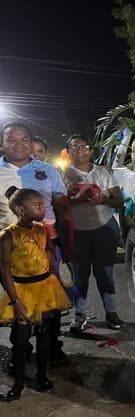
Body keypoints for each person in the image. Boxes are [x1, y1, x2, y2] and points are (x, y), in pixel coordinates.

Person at [0, 122, 68, 364]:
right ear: (2, 143)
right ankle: (21, 347)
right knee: (14, 297)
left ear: (31, 142)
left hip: (45, 243)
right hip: (8, 247)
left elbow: (62, 206)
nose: (19, 144)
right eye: (11, 140)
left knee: (50, 298)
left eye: (24, 139)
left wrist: (65, 244)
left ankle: (52, 347)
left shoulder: (48, 171)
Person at [0, 187, 71, 401]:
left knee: (45, 338)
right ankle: (19, 383)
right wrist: (16, 301)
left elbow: (49, 249)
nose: (43, 207)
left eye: (43, 204)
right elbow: (4, 270)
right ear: (21, 209)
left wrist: (49, 259)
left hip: (45, 290)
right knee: (20, 341)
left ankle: (42, 375)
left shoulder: (42, 229)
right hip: (22, 291)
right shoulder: (7, 235)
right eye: (37, 205)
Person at [62, 134, 125, 332]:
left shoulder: (103, 173)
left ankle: (112, 313)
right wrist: (76, 199)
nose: (81, 150)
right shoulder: (61, 174)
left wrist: (103, 200)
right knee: (80, 275)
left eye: (85, 146)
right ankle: (79, 315)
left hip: (104, 229)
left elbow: (119, 201)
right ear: (68, 151)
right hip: (76, 232)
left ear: (91, 150)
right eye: (75, 147)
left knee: (105, 273)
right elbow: (57, 203)